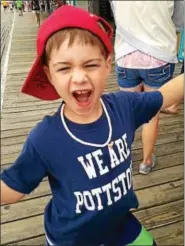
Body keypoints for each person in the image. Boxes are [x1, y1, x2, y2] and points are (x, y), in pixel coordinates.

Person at [0, 6, 184, 246]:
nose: (79, 77)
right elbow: (14, 188)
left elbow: (164, 95)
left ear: (108, 65)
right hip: (71, 239)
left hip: (120, 224)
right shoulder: (45, 138)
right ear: (49, 74)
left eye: (90, 65)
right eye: (64, 68)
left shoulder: (123, 106)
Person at [110, 1, 184, 174]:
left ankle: (123, 160)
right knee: (152, 114)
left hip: (125, 55)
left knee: (127, 112)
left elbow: (117, 16)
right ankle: (146, 161)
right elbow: (180, 20)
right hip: (158, 56)